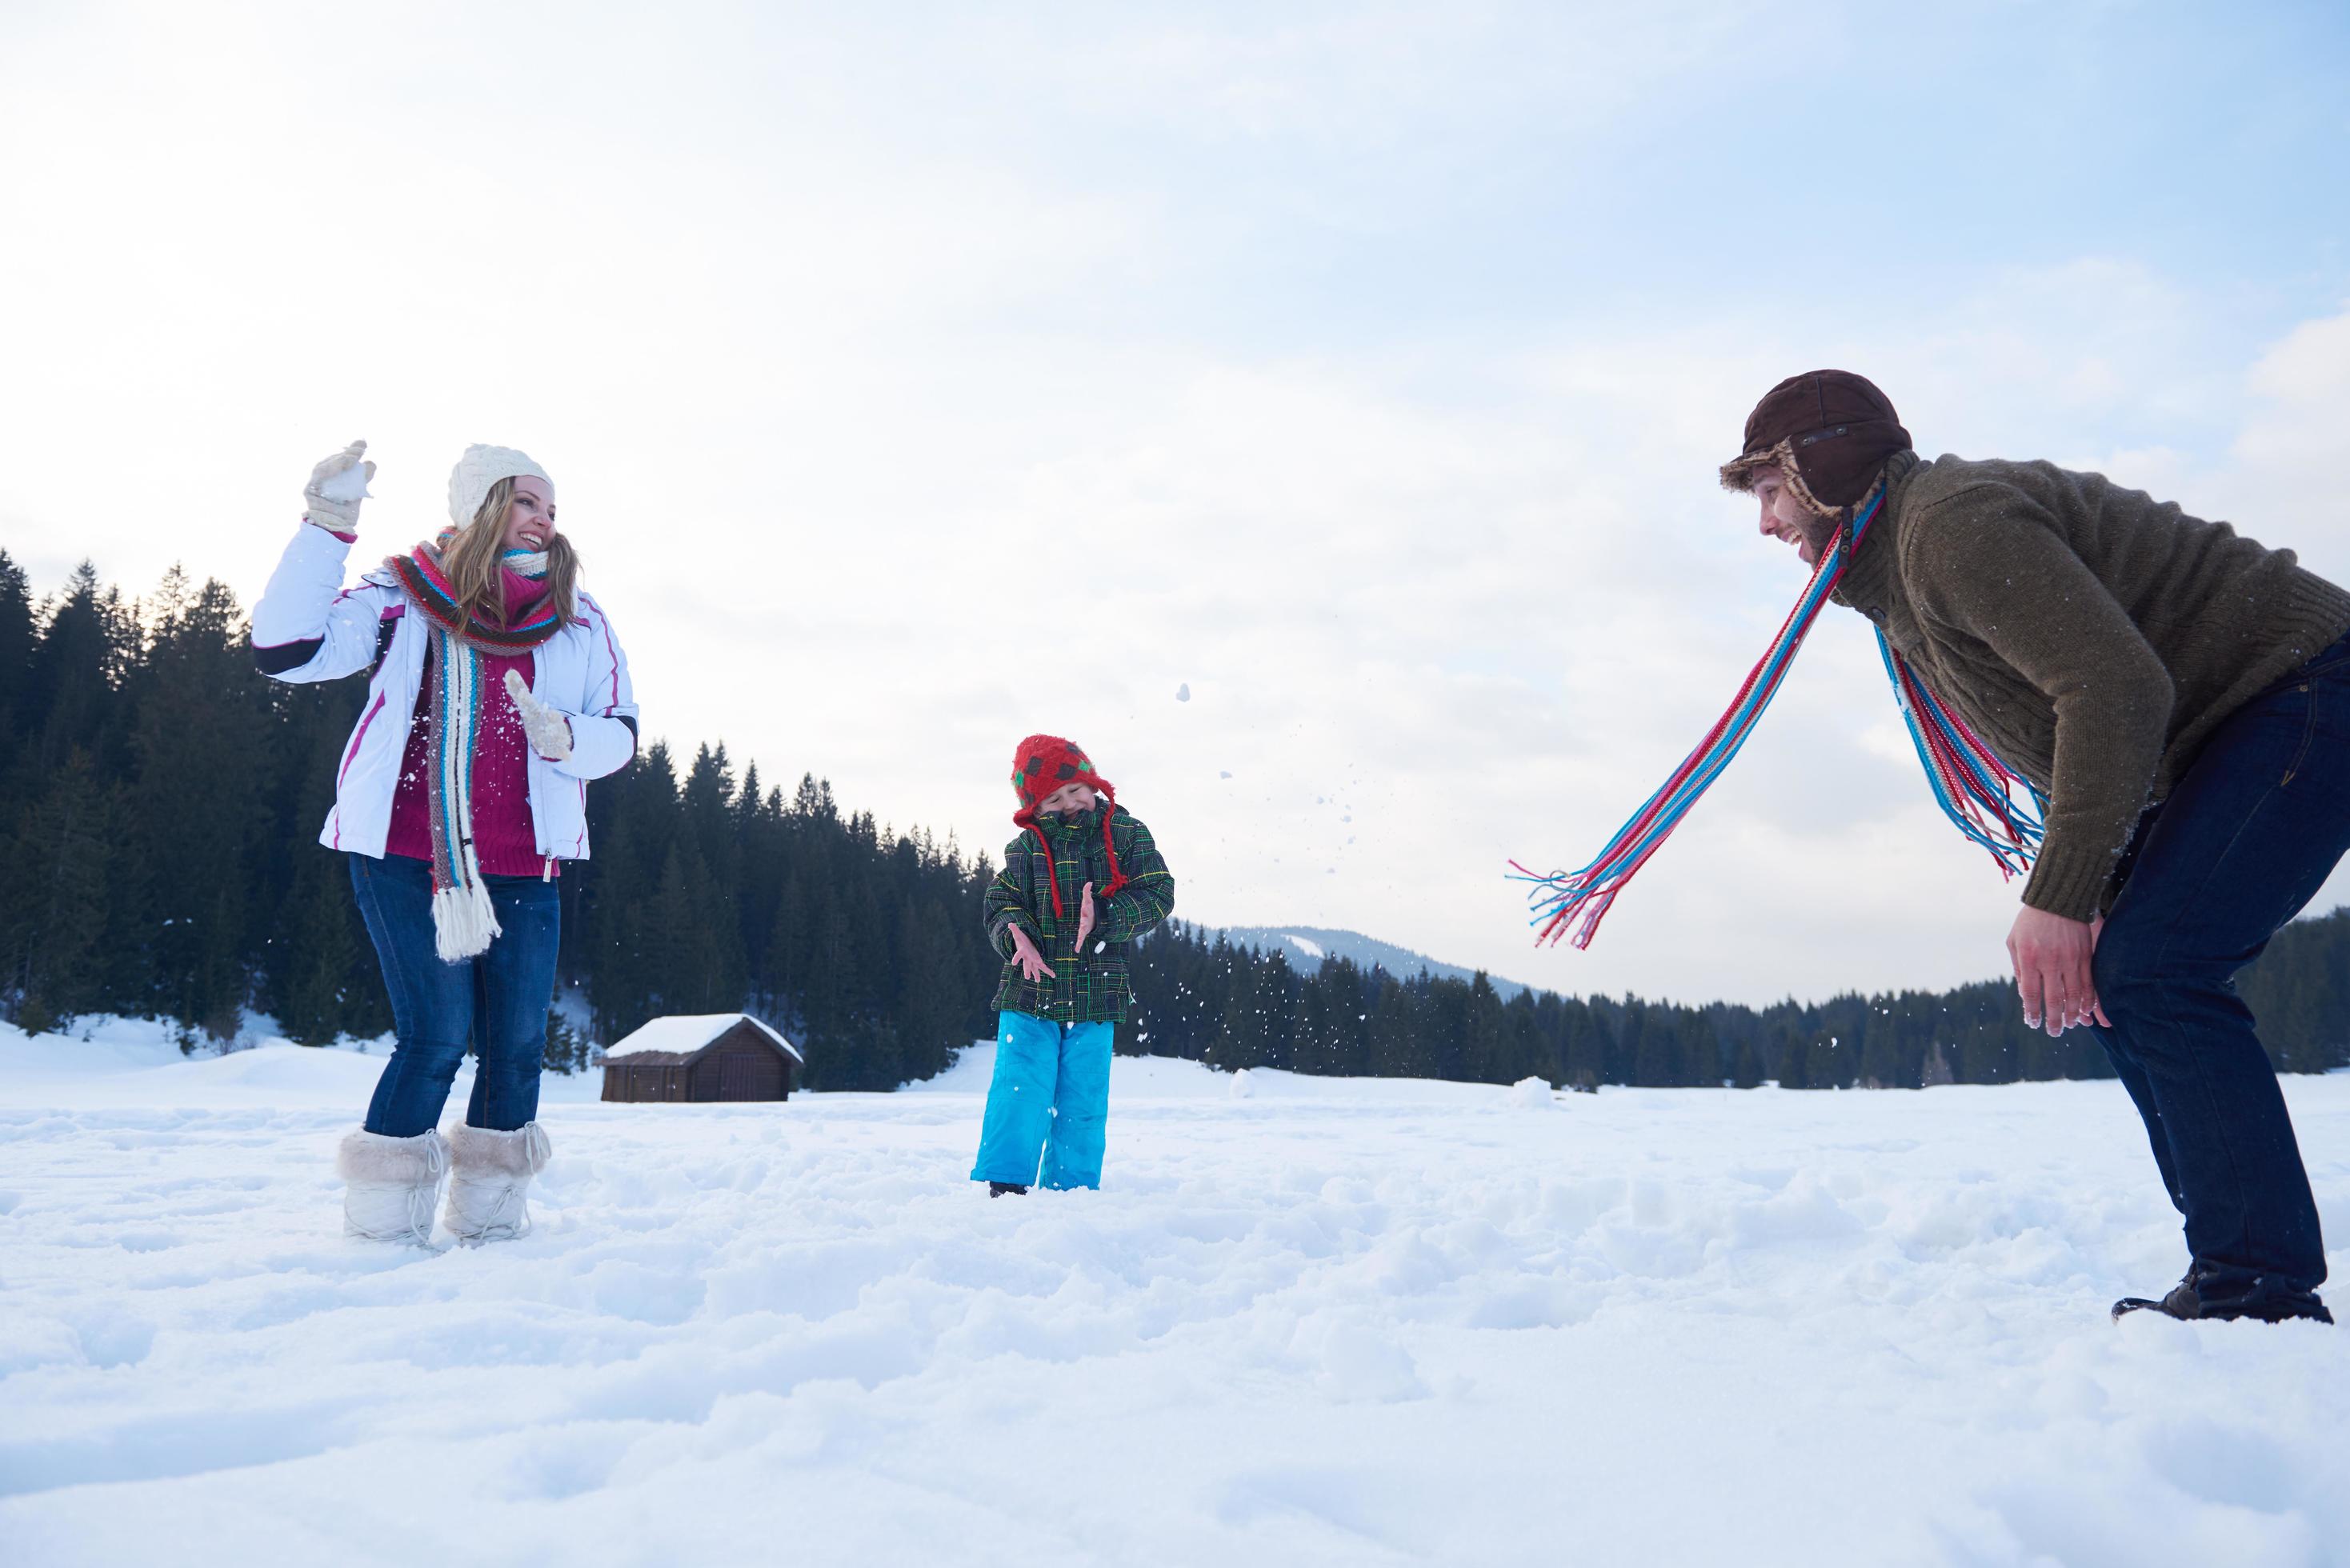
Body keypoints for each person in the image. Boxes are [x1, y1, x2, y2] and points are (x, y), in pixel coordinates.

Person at [1711, 371, 2344, 1324]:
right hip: (2238, 726)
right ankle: (2243, 1269)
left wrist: (2063, 891)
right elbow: (2075, 728)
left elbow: (2115, 689)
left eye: (1769, 488)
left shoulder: (1952, 528)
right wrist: (2090, 892)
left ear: (1827, 465)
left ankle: (2257, 1282)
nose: (1763, 522)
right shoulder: (1903, 580)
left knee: (2157, 969)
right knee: (2124, 978)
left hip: (2303, 690)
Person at [251, 441, 639, 1245]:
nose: (546, 518)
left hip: (526, 864)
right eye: (528, 500)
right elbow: (286, 651)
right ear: (483, 505)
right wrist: (328, 526)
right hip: (405, 855)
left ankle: (492, 1225)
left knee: (519, 1044)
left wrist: (564, 735)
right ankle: (384, 1230)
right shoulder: (403, 597)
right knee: (434, 1035)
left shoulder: (580, 620)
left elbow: (623, 734)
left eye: (553, 507)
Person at [973, 735, 1175, 1194]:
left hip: (1096, 991)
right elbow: (1000, 900)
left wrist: (1104, 915)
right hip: (1030, 988)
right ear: (1035, 805)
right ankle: (1005, 1185)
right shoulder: (1024, 848)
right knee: (1019, 1089)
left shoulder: (1126, 834)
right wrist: (1013, 932)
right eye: (1053, 798)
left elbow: (1159, 892)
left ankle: (1071, 1194)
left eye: (1075, 790)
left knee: (1083, 1101)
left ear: (1092, 781)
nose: (1069, 804)